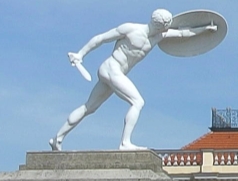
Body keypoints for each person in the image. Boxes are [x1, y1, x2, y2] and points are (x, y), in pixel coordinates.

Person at [52, 9, 220, 151]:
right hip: (111, 68)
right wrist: (80, 54)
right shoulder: (131, 29)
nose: (164, 29)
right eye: (163, 25)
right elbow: (101, 38)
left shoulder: (159, 36)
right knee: (137, 102)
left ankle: (57, 139)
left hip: (117, 73)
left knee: (89, 107)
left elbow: (184, 33)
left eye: (166, 26)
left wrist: (206, 28)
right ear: (155, 23)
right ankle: (125, 143)